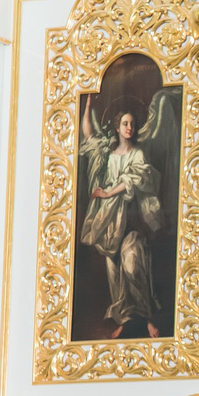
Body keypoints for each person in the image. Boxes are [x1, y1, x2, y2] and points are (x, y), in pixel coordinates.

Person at [78, 94, 163, 339]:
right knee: (114, 273)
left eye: (132, 124)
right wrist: (87, 107)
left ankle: (148, 319)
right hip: (109, 224)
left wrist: (107, 193)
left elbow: (132, 180)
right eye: (125, 123)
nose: (129, 127)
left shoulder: (138, 154)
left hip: (133, 220)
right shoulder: (106, 155)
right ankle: (125, 321)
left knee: (133, 264)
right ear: (117, 127)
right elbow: (89, 136)